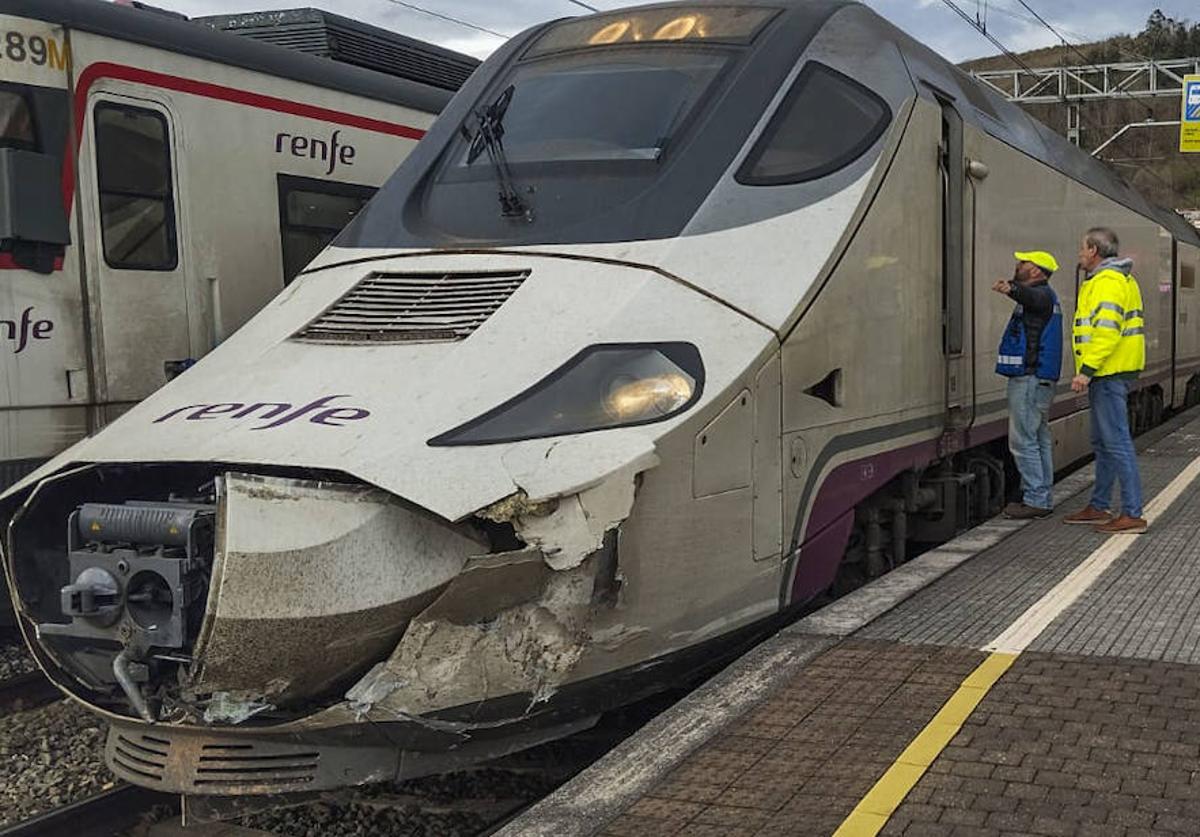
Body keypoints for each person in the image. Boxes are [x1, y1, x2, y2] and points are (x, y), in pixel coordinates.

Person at [1063, 227, 1147, 534]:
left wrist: (1086, 370)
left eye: (1082, 249)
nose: (1079, 254)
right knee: (1104, 442)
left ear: (1094, 251)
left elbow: (1107, 331)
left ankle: (1132, 513)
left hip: (1108, 371)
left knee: (1117, 442)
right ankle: (1099, 506)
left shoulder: (1108, 282)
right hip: (1110, 371)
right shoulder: (1117, 279)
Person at [992, 251, 1063, 519]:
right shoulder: (1046, 297)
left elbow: (1029, 296)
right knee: (1038, 439)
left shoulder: (1042, 295)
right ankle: (1041, 495)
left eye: (1024, 263)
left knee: (1023, 441)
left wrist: (1010, 289)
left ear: (1037, 271)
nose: (1018, 265)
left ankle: (1036, 498)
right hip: (1038, 379)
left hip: (1030, 379)